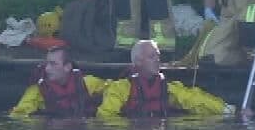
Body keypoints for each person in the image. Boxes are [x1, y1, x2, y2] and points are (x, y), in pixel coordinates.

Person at [96, 39, 229, 119]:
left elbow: (193, 100)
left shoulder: (166, 87)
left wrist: (228, 111)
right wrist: (131, 127)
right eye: (151, 57)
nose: (157, 60)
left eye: (158, 56)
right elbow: (105, 117)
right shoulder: (121, 88)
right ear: (138, 61)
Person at [10, 44, 107, 118]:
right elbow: (19, 114)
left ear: (67, 67)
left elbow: (110, 89)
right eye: (47, 64)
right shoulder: (38, 89)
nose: (47, 69)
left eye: (53, 64)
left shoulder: (88, 83)